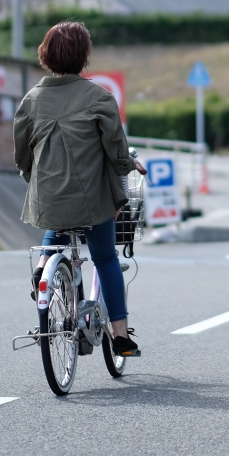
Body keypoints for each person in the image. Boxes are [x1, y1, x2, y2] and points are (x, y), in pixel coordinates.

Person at [13, 20, 147, 358]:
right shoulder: (98, 96)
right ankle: (119, 334)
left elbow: (21, 153)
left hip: (49, 197)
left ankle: (44, 272)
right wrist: (130, 165)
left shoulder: (31, 100)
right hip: (92, 202)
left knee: (55, 228)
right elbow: (117, 152)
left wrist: (36, 177)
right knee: (104, 257)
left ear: (46, 55)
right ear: (83, 56)